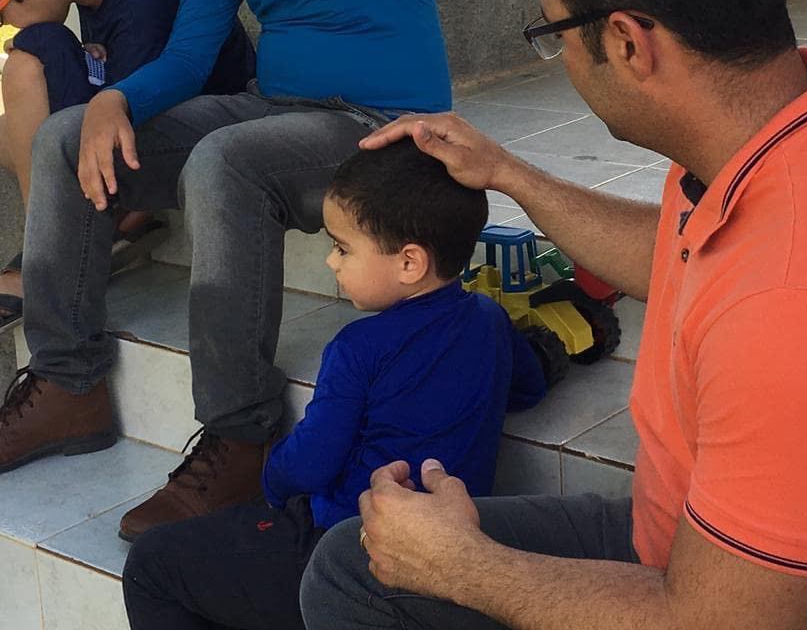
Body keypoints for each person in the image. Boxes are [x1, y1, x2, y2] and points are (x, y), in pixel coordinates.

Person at [301, 0, 807, 630]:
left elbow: (716, 623)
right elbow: (685, 260)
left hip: (742, 605)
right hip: (677, 535)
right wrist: (507, 172)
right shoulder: (794, 127)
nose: (560, 59)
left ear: (625, 42)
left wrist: (464, 567)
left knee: (370, 584)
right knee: (349, 568)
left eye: (556, 34)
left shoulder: (806, 304)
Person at [0, 0, 451, 545]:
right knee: (65, 136)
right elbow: (187, 55)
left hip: (384, 130)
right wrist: (114, 100)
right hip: (276, 111)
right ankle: (68, 386)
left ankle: (242, 433)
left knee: (223, 158)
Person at [121, 138, 546, 630]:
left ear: (410, 263)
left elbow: (311, 463)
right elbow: (529, 387)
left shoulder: (357, 347)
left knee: (152, 564)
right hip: (449, 546)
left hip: (346, 550)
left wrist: (271, 480)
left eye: (342, 247)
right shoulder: (489, 320)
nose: (331, 262)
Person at [0, 0, 255, 330]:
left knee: (28, 63)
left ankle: (52, 254)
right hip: (142, 104)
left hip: (196, 126)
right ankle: (66, 231)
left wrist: (44, 44)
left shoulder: (143, 4)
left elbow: (130, 118)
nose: (8, 25)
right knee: (22, 105)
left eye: (3, 12)